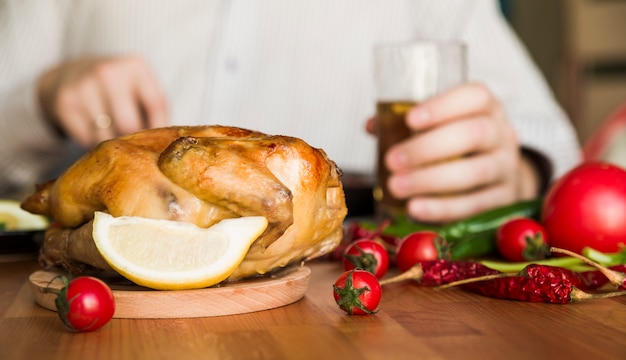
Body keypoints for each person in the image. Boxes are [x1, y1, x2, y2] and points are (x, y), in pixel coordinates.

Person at [0, 0, 582, 223]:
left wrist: (518, 169)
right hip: (97, 284)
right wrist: (42, 96)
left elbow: (552, 143)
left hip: (348, 306)